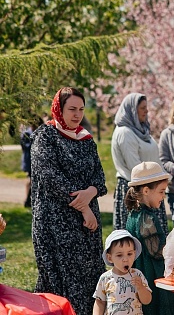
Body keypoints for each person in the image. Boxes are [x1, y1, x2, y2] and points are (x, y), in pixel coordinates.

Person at [31, 87, 107, 315]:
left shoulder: (85, 139)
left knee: (89, 279)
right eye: (71, 109)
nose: (77, 114)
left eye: (81, 109)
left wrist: (91, 192)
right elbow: (51, 177)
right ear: (59, 109)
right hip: (55, 221)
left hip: (87, 226)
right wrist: (84, 207)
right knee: (59, 282)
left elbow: (100, 178)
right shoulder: (45, 136)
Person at [125, 162, 174, 315]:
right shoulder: (146, 218)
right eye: (161, 191)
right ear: (146, 190)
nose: (163, 196)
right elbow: (157, 251)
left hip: (143, 271)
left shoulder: (135, 213)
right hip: (152, 274)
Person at [111, 93, 168, 235]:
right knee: (137, 238)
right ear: (131, 110)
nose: (146, 111)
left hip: (151, 187)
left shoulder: (142, 131)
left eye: (146, 107)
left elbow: (155, 158)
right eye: (142, 108)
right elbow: (134, 167)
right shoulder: (125, 133)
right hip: (136, 190)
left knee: (155, 239)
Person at [93, 230, 152, 315]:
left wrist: (141, 287)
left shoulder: (137, 274)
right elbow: (99, 302)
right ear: (110, 258)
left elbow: (147, 301)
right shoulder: (105, 278)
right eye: (119, 255)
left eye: (129, 254)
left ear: (134, 254)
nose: (125, 259)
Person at [20, 117, 43, 208]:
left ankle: (30, 200)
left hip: (37, 161)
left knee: (33, 180)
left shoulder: (39, 132)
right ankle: (27, 199)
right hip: (29, 160)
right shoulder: (26, 133)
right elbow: (25, 146)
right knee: (31, 180)